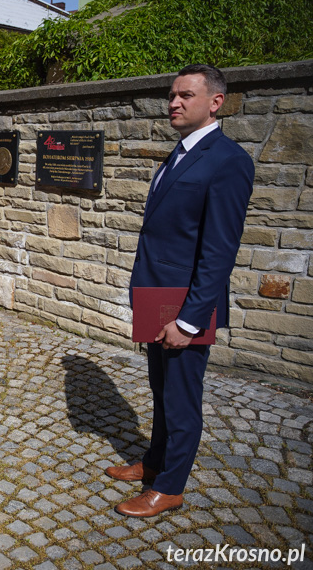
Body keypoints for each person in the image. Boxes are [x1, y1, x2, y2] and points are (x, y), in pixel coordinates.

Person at [106, 64, 254, 517]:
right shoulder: (182, 153)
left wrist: (189, 320)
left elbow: (219, 252)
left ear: (215, 102)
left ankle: (169, 487)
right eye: (172, 94)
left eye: (186, 95)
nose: (174, 102)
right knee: (160, 389)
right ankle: (155, 462)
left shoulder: (229, 161)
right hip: (157, 297)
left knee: (182, 398)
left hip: (185, 307)